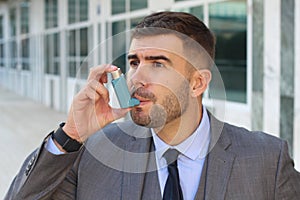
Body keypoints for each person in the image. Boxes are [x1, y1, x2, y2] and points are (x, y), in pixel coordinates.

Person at [5, 11, 300, 200]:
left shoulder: (267, 161)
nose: (137, 77)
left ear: (197, 83)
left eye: (158, 64)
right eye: (134, 62)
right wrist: (70, 135)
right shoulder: (93, 152)